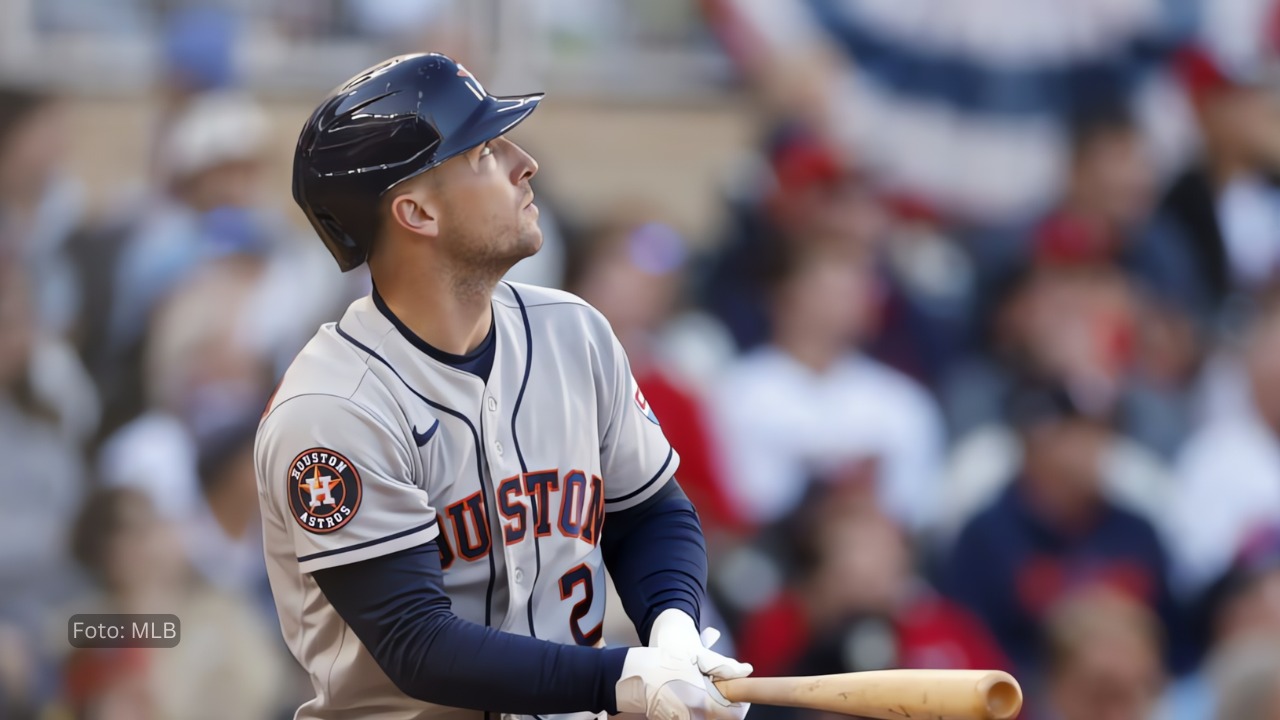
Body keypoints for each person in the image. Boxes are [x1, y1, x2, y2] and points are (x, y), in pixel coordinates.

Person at [256, 53, 753, 720]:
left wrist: (673, 626)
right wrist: (624, 675)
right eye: (486, 151)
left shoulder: (575, 332)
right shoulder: (334, 408)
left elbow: (650, 512)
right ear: (417, 213)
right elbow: (418, 645)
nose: (525, 162)